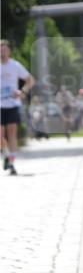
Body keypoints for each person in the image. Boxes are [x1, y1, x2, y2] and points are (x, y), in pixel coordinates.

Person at [1, 40, 34, 175]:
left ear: (9, 51)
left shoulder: (15, 65)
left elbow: (30, 80)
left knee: (12, 133)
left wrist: (23, 92)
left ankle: (12, 162)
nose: (2, 52)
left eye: (4, 49)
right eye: (0, 49)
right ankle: (7, 155)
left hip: (13, 104)